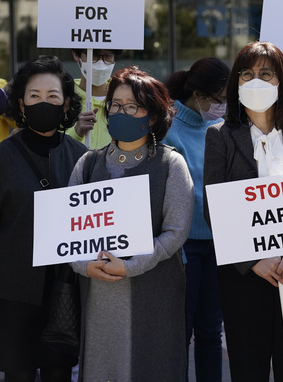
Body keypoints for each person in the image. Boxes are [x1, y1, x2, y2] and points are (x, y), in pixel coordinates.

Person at [203, 41, 283, 382]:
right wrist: (252, 260)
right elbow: (215, 205)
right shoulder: (220, 136)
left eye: (266, 74)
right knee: (247, 361)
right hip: (245, 273)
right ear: (236, 83)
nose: (255, 81)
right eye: (247, 74)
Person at [69, 66, 194, 381]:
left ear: (151, 116)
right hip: (98, 295)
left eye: (132, 106)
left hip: (153, 293)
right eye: (115, 104)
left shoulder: (171, 164)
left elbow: (176, 232)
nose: (120, 111)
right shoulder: (88, 164)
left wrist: (133, 264)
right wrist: (84, 265)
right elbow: (68, 232)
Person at [0, 55, 87, 381]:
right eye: (34, 96)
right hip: (13, 293)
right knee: (18, 374)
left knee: (58, 374)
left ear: (66, 104)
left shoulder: (82, 159)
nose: (43, 103)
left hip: (64, 291)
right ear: (20, 104)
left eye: (52, 96)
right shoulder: (3, 157)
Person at [164, 57, 230, 382]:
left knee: (210, 332)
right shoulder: (168, 126)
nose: (223, 106)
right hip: (182, 245)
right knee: (181, 331)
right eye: (219, 100)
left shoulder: (222, 127)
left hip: (218, 243)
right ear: (199, 95)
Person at [67, 48, 122, 148]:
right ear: (76, 55)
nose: (100, 64)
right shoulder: (62, 98)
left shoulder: (125, 100)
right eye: (94, 55)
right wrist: (76, 133)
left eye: (107, 56)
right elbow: (53, 151)